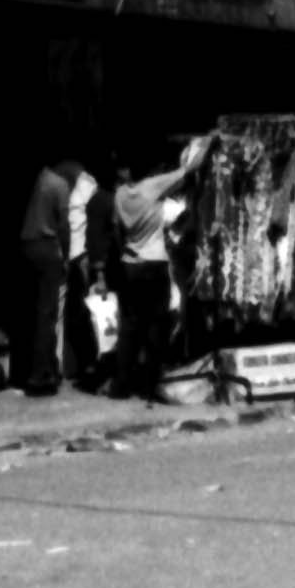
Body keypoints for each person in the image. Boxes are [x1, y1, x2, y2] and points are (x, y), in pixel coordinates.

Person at [90, 137, 209, 406]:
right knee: (156, 326)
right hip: (154, 265)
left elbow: (117, 232)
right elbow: (187, 171)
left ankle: (121, 384)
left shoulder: (120, 195)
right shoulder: (151, 188)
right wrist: (205, 146)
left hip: (129, 265)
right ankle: (151, 384)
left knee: (129, 327)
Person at [14, 150, 90, 397]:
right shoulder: (61, 186)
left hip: (27, 244)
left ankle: (31, 368)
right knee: (47, 314)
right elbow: (65, 227)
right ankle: (41, 376)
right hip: (47, 248)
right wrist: (67, 258)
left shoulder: (42, 176)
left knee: (33, 310)